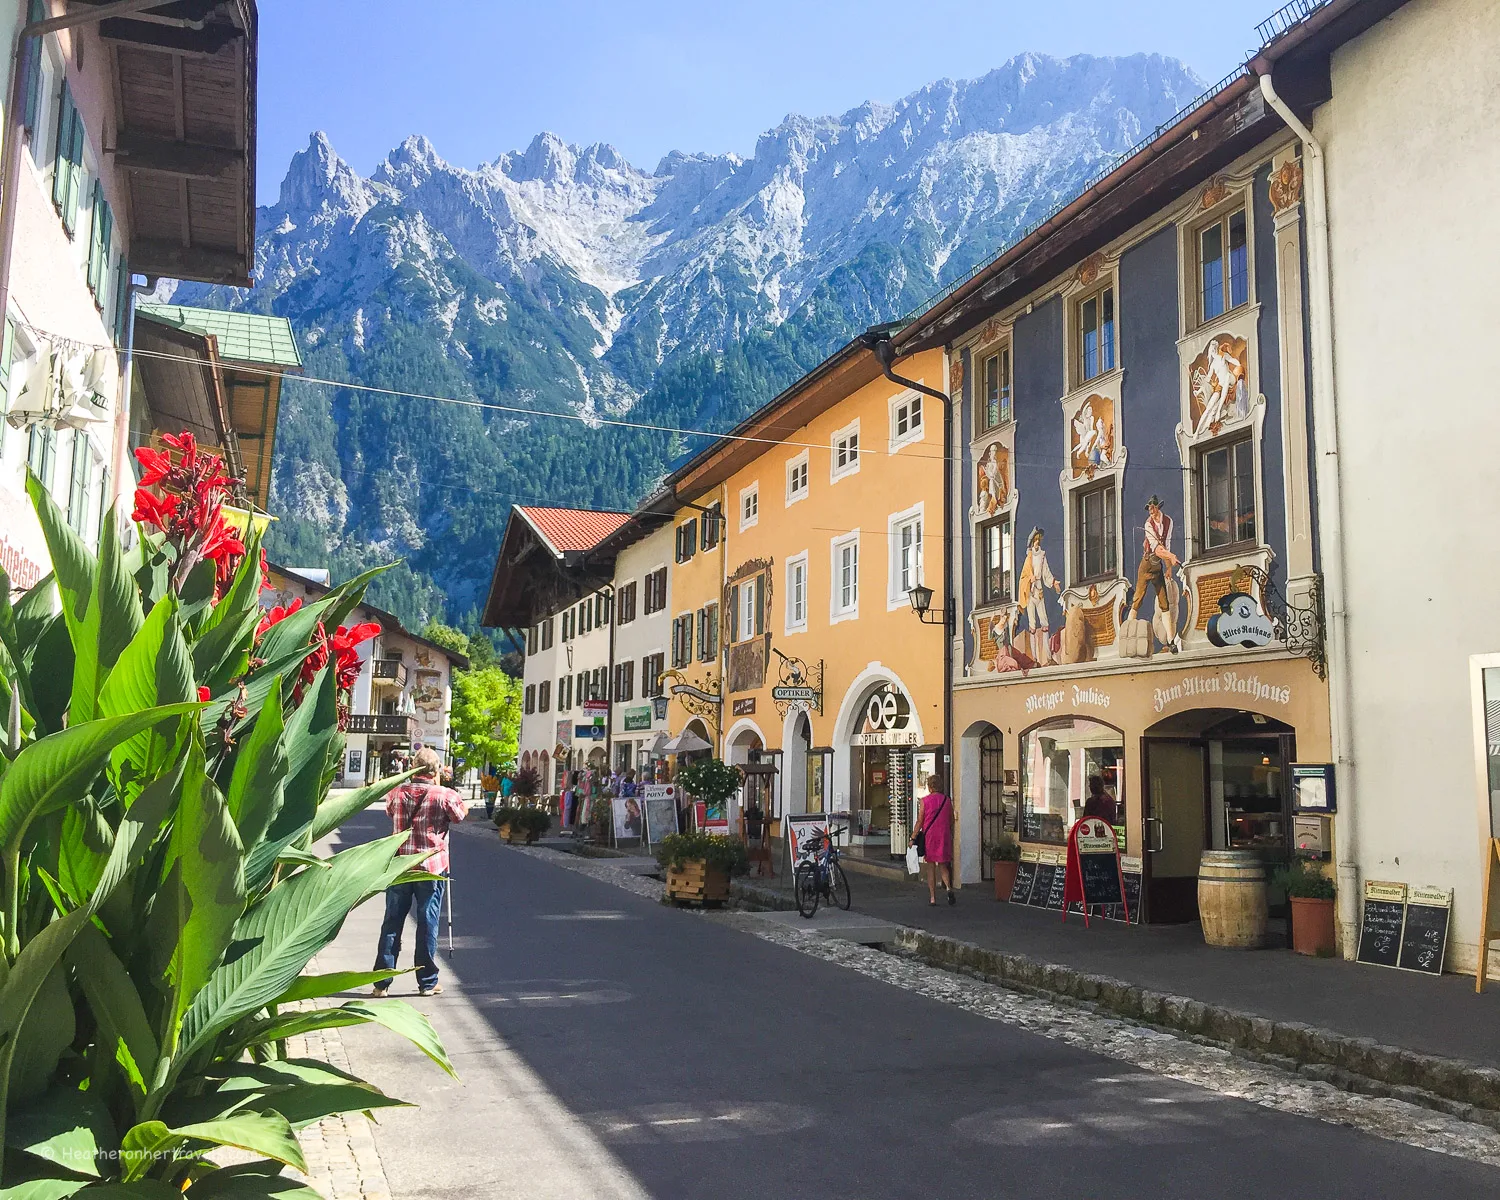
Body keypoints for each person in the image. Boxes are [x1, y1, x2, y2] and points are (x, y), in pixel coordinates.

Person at [372, 748, 468, 997]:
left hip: (400, 866)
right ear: (436, 770)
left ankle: (381, 982)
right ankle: (427, 982)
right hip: (431, 867)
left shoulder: (396, 792)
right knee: (427, 921)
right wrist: (440, 785)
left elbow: (390, 813)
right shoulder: (444, 795)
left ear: (412, 768)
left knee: (392, 921)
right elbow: (460, 815)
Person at [914, 775, 955, 906]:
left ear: (929, 787)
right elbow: (951, 819)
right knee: (943, 865)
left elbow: (920, 820)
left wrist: (913, 836)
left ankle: (932, 897)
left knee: (930, 866)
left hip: (930, 836)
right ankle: (948, 887)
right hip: (943, 835)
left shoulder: (925, 801)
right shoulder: (946, 800)